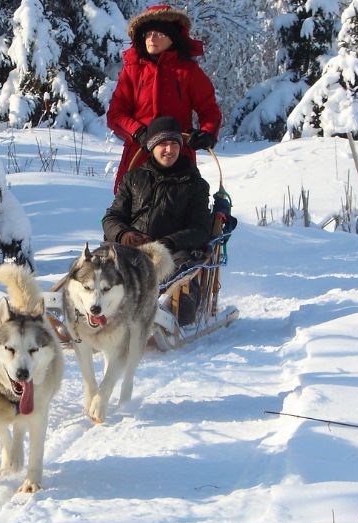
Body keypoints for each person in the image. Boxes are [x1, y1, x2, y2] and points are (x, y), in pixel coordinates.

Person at [102, 116, 215, 328]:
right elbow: (112, 217)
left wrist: (168, 243)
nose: (169, 150)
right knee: (96, 265)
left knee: (181, 272)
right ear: (152, 146)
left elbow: (200, 229)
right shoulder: (133, 178)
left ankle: (165, 314)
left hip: (172, 252)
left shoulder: (194, 183)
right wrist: (124, 235)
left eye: (174, 144)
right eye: (163, 143)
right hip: (131, 248)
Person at [106, 4, 222, 193]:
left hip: (178, 159)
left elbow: (209, 110)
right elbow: (116, 115)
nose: (152, 38)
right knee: (130, 214)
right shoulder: (132, 71)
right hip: (138, 158)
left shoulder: (189, 72)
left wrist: (206, 133)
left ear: (173, 38)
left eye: (159, 33)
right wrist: (138, 132)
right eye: (148, 33)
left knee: (181, 213)